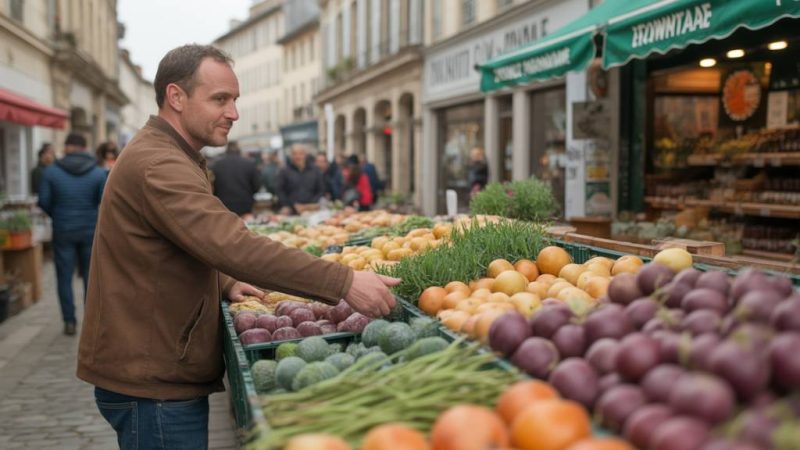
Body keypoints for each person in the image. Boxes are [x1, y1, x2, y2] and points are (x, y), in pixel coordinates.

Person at [77, 44, 398, 449]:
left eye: (235, 99)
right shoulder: (159, 165)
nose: (234, 113)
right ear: (176, 97)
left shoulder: (170, 154)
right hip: (152, 380)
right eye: (220, 99)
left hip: (154, 368)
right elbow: (234, 244)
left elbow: (180, 244)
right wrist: (344, 281)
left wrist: (225, 281)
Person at [38, 133, 107, 336]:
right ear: (85, 147)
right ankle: (90, 323)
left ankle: (69, 321)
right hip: (89, 230)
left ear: (66, 147)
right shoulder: (98, 173)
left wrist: (58, 215)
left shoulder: (51, 172)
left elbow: (43, 201)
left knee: (64, 276)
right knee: (91, 277)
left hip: (63, 229)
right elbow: (104, 202)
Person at [210, 140, 261, 215]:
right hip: (245, 204)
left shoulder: (216, 165)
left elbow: (213, 187)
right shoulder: (249, 164)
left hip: (223, 205)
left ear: (226, 150)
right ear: (239, 150)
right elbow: (256, 186)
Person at [275, 144, 324, 214]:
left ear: (305, 155)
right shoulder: (284, 171)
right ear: (291, 156)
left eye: (301, 153)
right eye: (294, 154)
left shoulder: (315, 171)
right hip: (291, 209)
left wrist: (309, 205)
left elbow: (320, 190)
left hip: (311, 208)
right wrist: (292, 205)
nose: (298, 156)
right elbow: (280, 191)